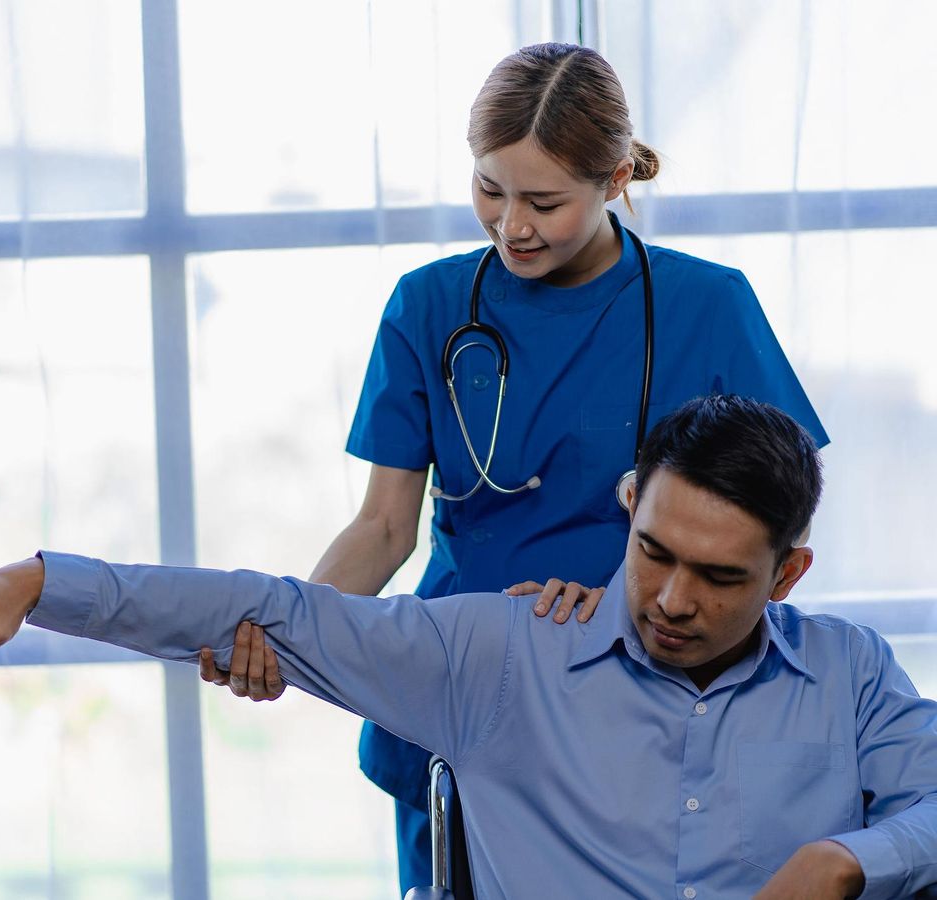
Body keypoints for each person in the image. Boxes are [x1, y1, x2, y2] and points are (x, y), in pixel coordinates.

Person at [196, 41, 830, 895]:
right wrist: (288, 628)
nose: (511, 226)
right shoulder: (428, 306)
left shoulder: (707, 306)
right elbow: (384, 527)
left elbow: (776, 518)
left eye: (544, 201)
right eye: (489, 189)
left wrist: (620, 602)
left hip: (628, 695)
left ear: (613, 182)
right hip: (455, 685)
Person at [0, 395, 937, 899]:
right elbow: (272, 608)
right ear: (628, 507)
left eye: (720, 578)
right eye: (654, 553)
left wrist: (846, 860)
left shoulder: (848, 676)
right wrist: (34, 584)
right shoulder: (505, 652)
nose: (672, 600)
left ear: (788, 575)